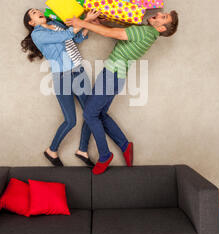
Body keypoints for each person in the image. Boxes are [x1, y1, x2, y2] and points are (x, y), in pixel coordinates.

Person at [66, 10, 179, 175]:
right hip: (115, 76)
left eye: (164, 17)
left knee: (90, 115)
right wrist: (99, 24)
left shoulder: (146, 31)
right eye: (164, 13)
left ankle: (105, 155)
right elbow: (120, 36)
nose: (160, 13)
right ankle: (125, 145)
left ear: (161, 28)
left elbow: (115, 34)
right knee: (100, 114)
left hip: (112, 76)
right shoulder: (148, 34)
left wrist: (82, 23)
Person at [21, 8, 97, 167]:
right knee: (70, 121)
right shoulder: (38, 35)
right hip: (62, 77)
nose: (38, 11)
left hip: (79, 72)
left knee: (91, 114)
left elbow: (75, 38)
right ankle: (51, 150)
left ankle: (82, 150)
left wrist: (87, 26)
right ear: (31, 22)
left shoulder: (55, 23)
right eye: (34, 13)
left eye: (38, 10)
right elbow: (65, 35)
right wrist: (86, 21)